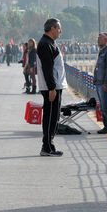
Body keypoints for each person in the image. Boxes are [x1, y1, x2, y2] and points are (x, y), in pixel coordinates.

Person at [36, 18, 66, 157]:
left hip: (55, 85)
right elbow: (48, 69)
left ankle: (49, 145)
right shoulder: (44, 44)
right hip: (51, 87)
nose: (60, 31)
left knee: (54, 117)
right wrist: (52, 88)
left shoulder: (50, 43)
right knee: (50, 117)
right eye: (59, 28)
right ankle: (47, 147)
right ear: (52, 28)